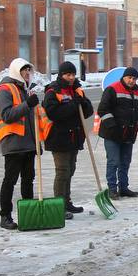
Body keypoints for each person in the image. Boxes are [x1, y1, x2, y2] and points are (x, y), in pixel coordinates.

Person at [42, 61, 94, 216]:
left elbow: (87, 111)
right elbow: (53, 113)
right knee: (62, 171)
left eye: (73, 74)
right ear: (61, 75)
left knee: (70, 170)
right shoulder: (53, 91)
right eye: (67, 74)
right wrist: (73, 105)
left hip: (74, 136)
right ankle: (59, 205)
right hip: (58, 137)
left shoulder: (77, 90)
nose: (71, 77)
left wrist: (83, 103)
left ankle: (67, 201)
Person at [0, 57, 39, 230]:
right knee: (10, 181)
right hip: (13, 143)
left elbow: (32, 120)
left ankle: (28, 214)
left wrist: (37, 143)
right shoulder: (4, 90)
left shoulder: (25, 90)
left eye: (29, 70)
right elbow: (7, 115)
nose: (27, 73)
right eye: (24, 70)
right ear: (16, 71)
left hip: (28, 144)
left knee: (28, 180)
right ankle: (5, 216)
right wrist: (27, 104)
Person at [97, 66, 138, 197]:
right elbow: (103, 110)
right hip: (112, 134)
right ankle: (112, 189)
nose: (131, 80)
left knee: (125, 162)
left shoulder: (137, 93)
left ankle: (123, 187)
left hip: (129, 134)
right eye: (129, 77)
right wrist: (112, 126)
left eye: (134, 78)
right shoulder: (112, 89)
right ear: (124, 77)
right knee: (113, 162)